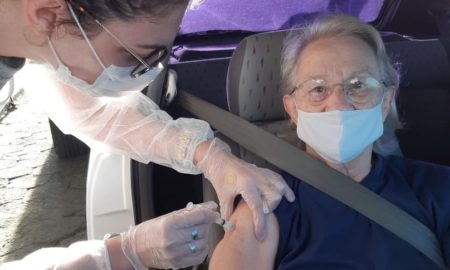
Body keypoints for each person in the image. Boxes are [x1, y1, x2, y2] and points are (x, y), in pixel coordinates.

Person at [0, 0, 296, 269]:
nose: (147, 74)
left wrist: (208, 154)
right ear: (46, 15)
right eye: (136, 56)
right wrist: (119, 254)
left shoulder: (41, 41)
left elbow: (97, 114)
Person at [209, 14, 450, 269]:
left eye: (358, 84)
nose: (339, 104)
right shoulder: (267, 203)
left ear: (385, 102)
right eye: (318, 89)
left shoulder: (438, 188)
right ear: (293, 110)